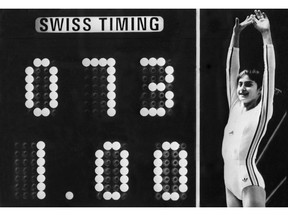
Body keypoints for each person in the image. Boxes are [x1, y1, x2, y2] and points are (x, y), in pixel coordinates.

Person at [222, 10, 275, 207]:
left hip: (249, 181)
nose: (242, 88)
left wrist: (265, 35)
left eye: (249, 84)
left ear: (260, 90)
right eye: (240, 84)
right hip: (229, 182)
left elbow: (270, 70)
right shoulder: (235, 106)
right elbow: (231, 70)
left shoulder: (262, 111)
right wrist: (236, 36)